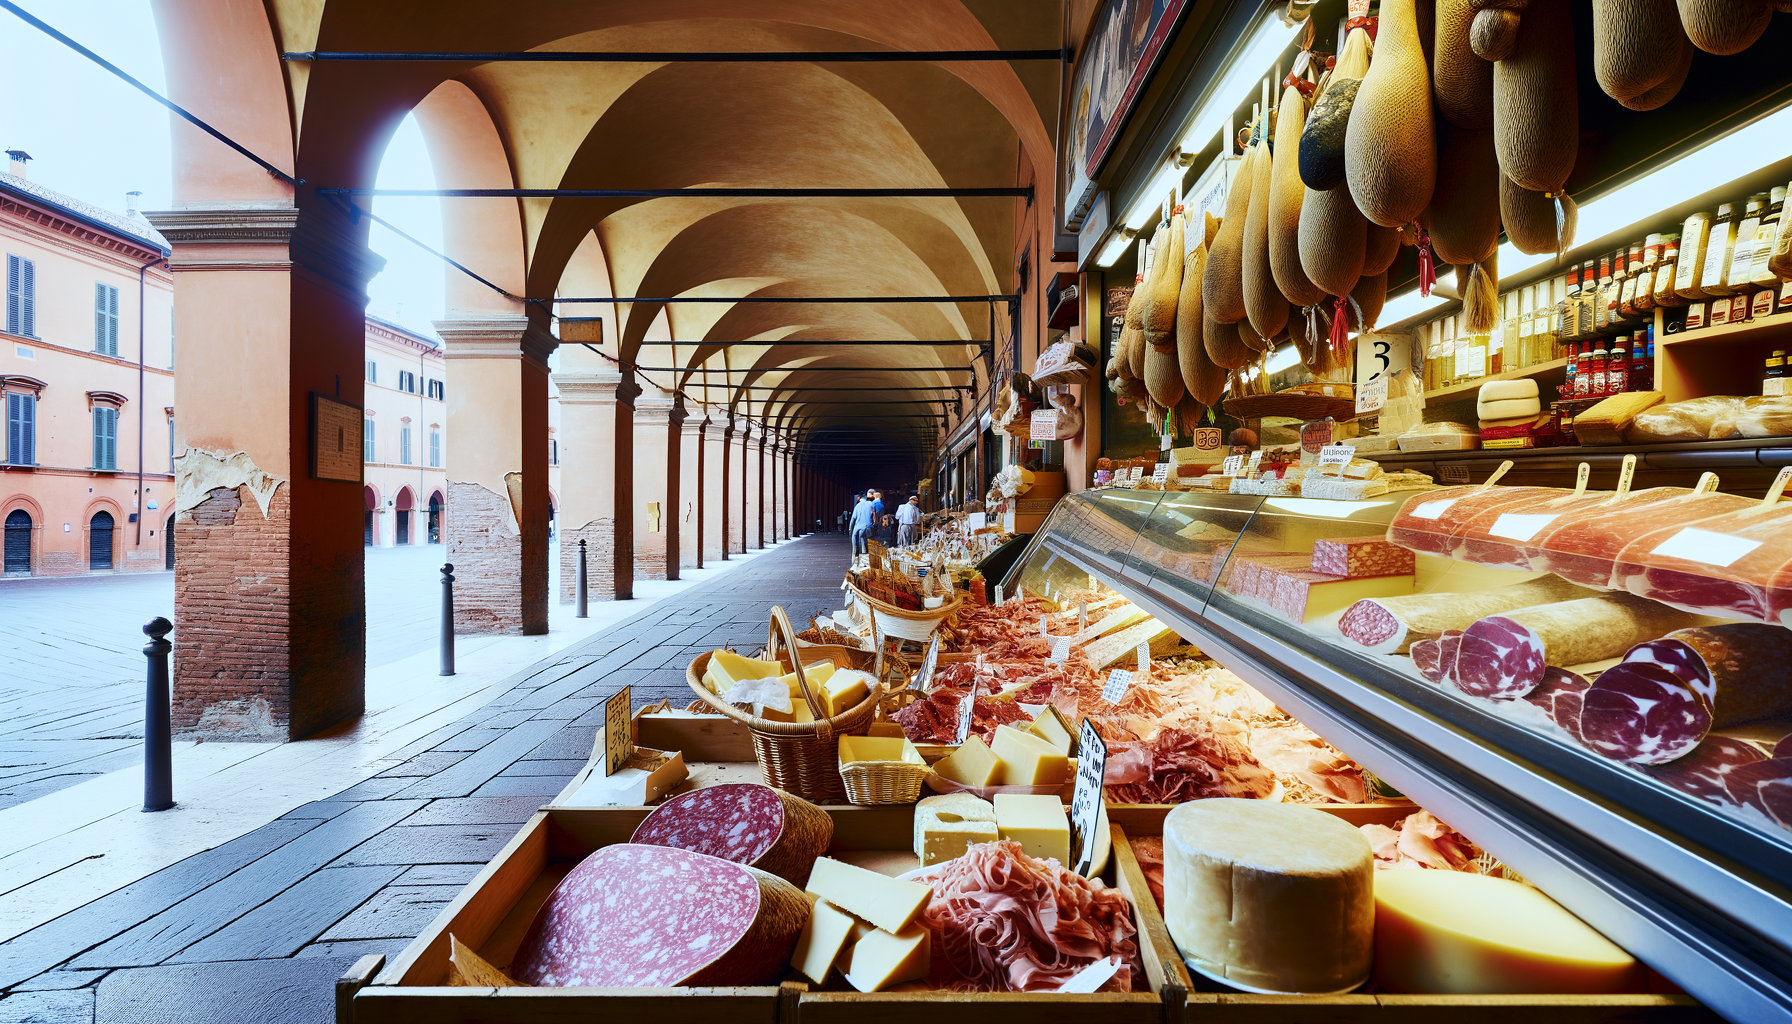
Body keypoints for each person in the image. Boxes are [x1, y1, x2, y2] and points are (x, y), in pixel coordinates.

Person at [849, 492, 876, 558]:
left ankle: (854, 552)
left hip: (859, 527)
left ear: (859, 498)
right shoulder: (871, 504)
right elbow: (874, 515)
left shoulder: (857, 506)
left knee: (854, 537)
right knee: (869, 544)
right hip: (869, 527)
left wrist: (850, 528)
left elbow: (853, 518)